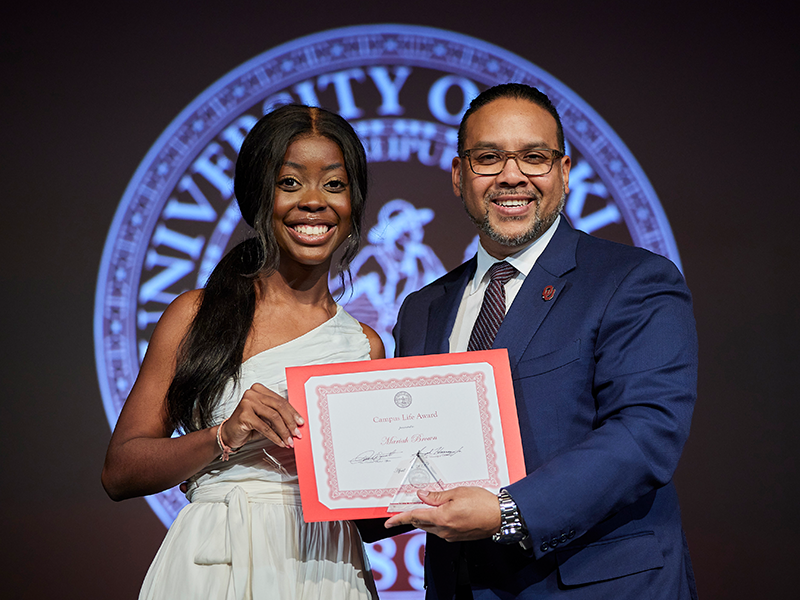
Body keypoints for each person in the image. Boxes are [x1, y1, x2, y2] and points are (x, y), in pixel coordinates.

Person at [384, 84, 699, 599]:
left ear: (564, 172)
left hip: (599, 585)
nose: (512, 175)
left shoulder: (634, 279)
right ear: (460, 176)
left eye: (534, 157)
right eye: (488, 157)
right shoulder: (423, 308)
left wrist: (511, 511)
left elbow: (648, 432)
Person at [102, 104, 383, 599]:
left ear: (354, 203)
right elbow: (120, 471)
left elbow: (370, 503)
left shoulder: (364, 346)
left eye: (334, 185)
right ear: (257, 196)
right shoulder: (196, 315)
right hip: (215, 563)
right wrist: (224, 434)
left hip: (326, 568)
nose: (314, 202)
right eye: (290, 183)